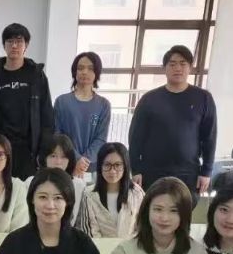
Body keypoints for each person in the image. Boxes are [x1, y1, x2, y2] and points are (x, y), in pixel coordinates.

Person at [128, 45, 217, 201]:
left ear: (190, 67)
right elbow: (135, 137)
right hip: (152, 172)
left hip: (188, 172)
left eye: (183, 63)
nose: (178, 68)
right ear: (165, 68)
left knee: (183, 211)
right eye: (172, 64)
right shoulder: (149, 99)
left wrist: (206, 171)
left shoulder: (203, 98)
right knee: (153, 210)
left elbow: (209, 137)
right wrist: (136, 169)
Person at [0, 23, 53, 180]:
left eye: (19, 41)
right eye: (10, 41)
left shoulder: (36, 75)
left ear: (26, 45)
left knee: (26, 191)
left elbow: (47, 116)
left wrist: (44, 152)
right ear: (4, 45)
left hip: (29, 151)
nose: (14, 45)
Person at [53, 52, 111, 176]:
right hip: (65, 164)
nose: (84, 72)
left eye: (90, 68)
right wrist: (76, 158)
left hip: (92, 168)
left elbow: (101, 139)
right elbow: (58, 134)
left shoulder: (103, 104)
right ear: (75, 72)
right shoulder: (62, 102)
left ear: (97, 73)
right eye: (80, 68)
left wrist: (83, 161)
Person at [77, 142, 144, 238]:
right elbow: (90, 233)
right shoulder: (88, 195)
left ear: (125, 166)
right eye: (107, 165)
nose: (112, 171)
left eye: (118, 165)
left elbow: (142, 227)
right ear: (100, 167)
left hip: (131, 246)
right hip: (99, 247)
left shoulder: (137, 193)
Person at [25, 133, 86, 225]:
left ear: (70, 160)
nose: (58, 162)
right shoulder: (30, 182)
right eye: (53, 156)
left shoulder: (78, 185)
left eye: (63, 157)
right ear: (44, 158)